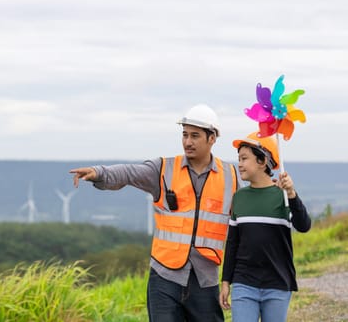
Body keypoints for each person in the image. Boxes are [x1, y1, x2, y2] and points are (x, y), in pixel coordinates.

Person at [70, 104, 240, 322]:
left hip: (205, 278)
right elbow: (129, 173)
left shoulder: (231, 177)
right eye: (185, 135)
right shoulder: (163, 168)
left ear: (212, 138)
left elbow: (245, 219)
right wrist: (99, 173)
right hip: (164, 276)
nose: (188, 142)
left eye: (195, 136)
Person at [219, 132, 311, 322]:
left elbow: (304, 226)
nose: (240, 164)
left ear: (262, 162)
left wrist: (292, 194)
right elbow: (233, 243)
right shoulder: (239, 198)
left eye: (245, 159)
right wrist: (226, 281)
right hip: (244, 283)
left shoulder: (283, 195)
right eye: (239, 159)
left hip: (277, 284)